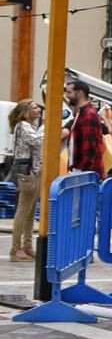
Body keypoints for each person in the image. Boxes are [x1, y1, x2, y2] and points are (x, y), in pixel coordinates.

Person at [8, 101, 42, 260]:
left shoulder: (30, 126)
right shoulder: (23, 126)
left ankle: (27, 246)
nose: (38, 109)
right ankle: (16, 248)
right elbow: (35, 141)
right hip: (26, 172)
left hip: (34, 171)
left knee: (30, 211)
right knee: (23, 210)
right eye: (34, 107)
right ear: (25, 111)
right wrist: (46, 127)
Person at [64, 79, 108, 179]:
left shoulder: (87, 114)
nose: (66, 96)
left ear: (79, 93)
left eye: (69, 92)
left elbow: (89, 145)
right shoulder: (84, 113)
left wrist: (85, 171)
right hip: (81, 169)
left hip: (83, 170)